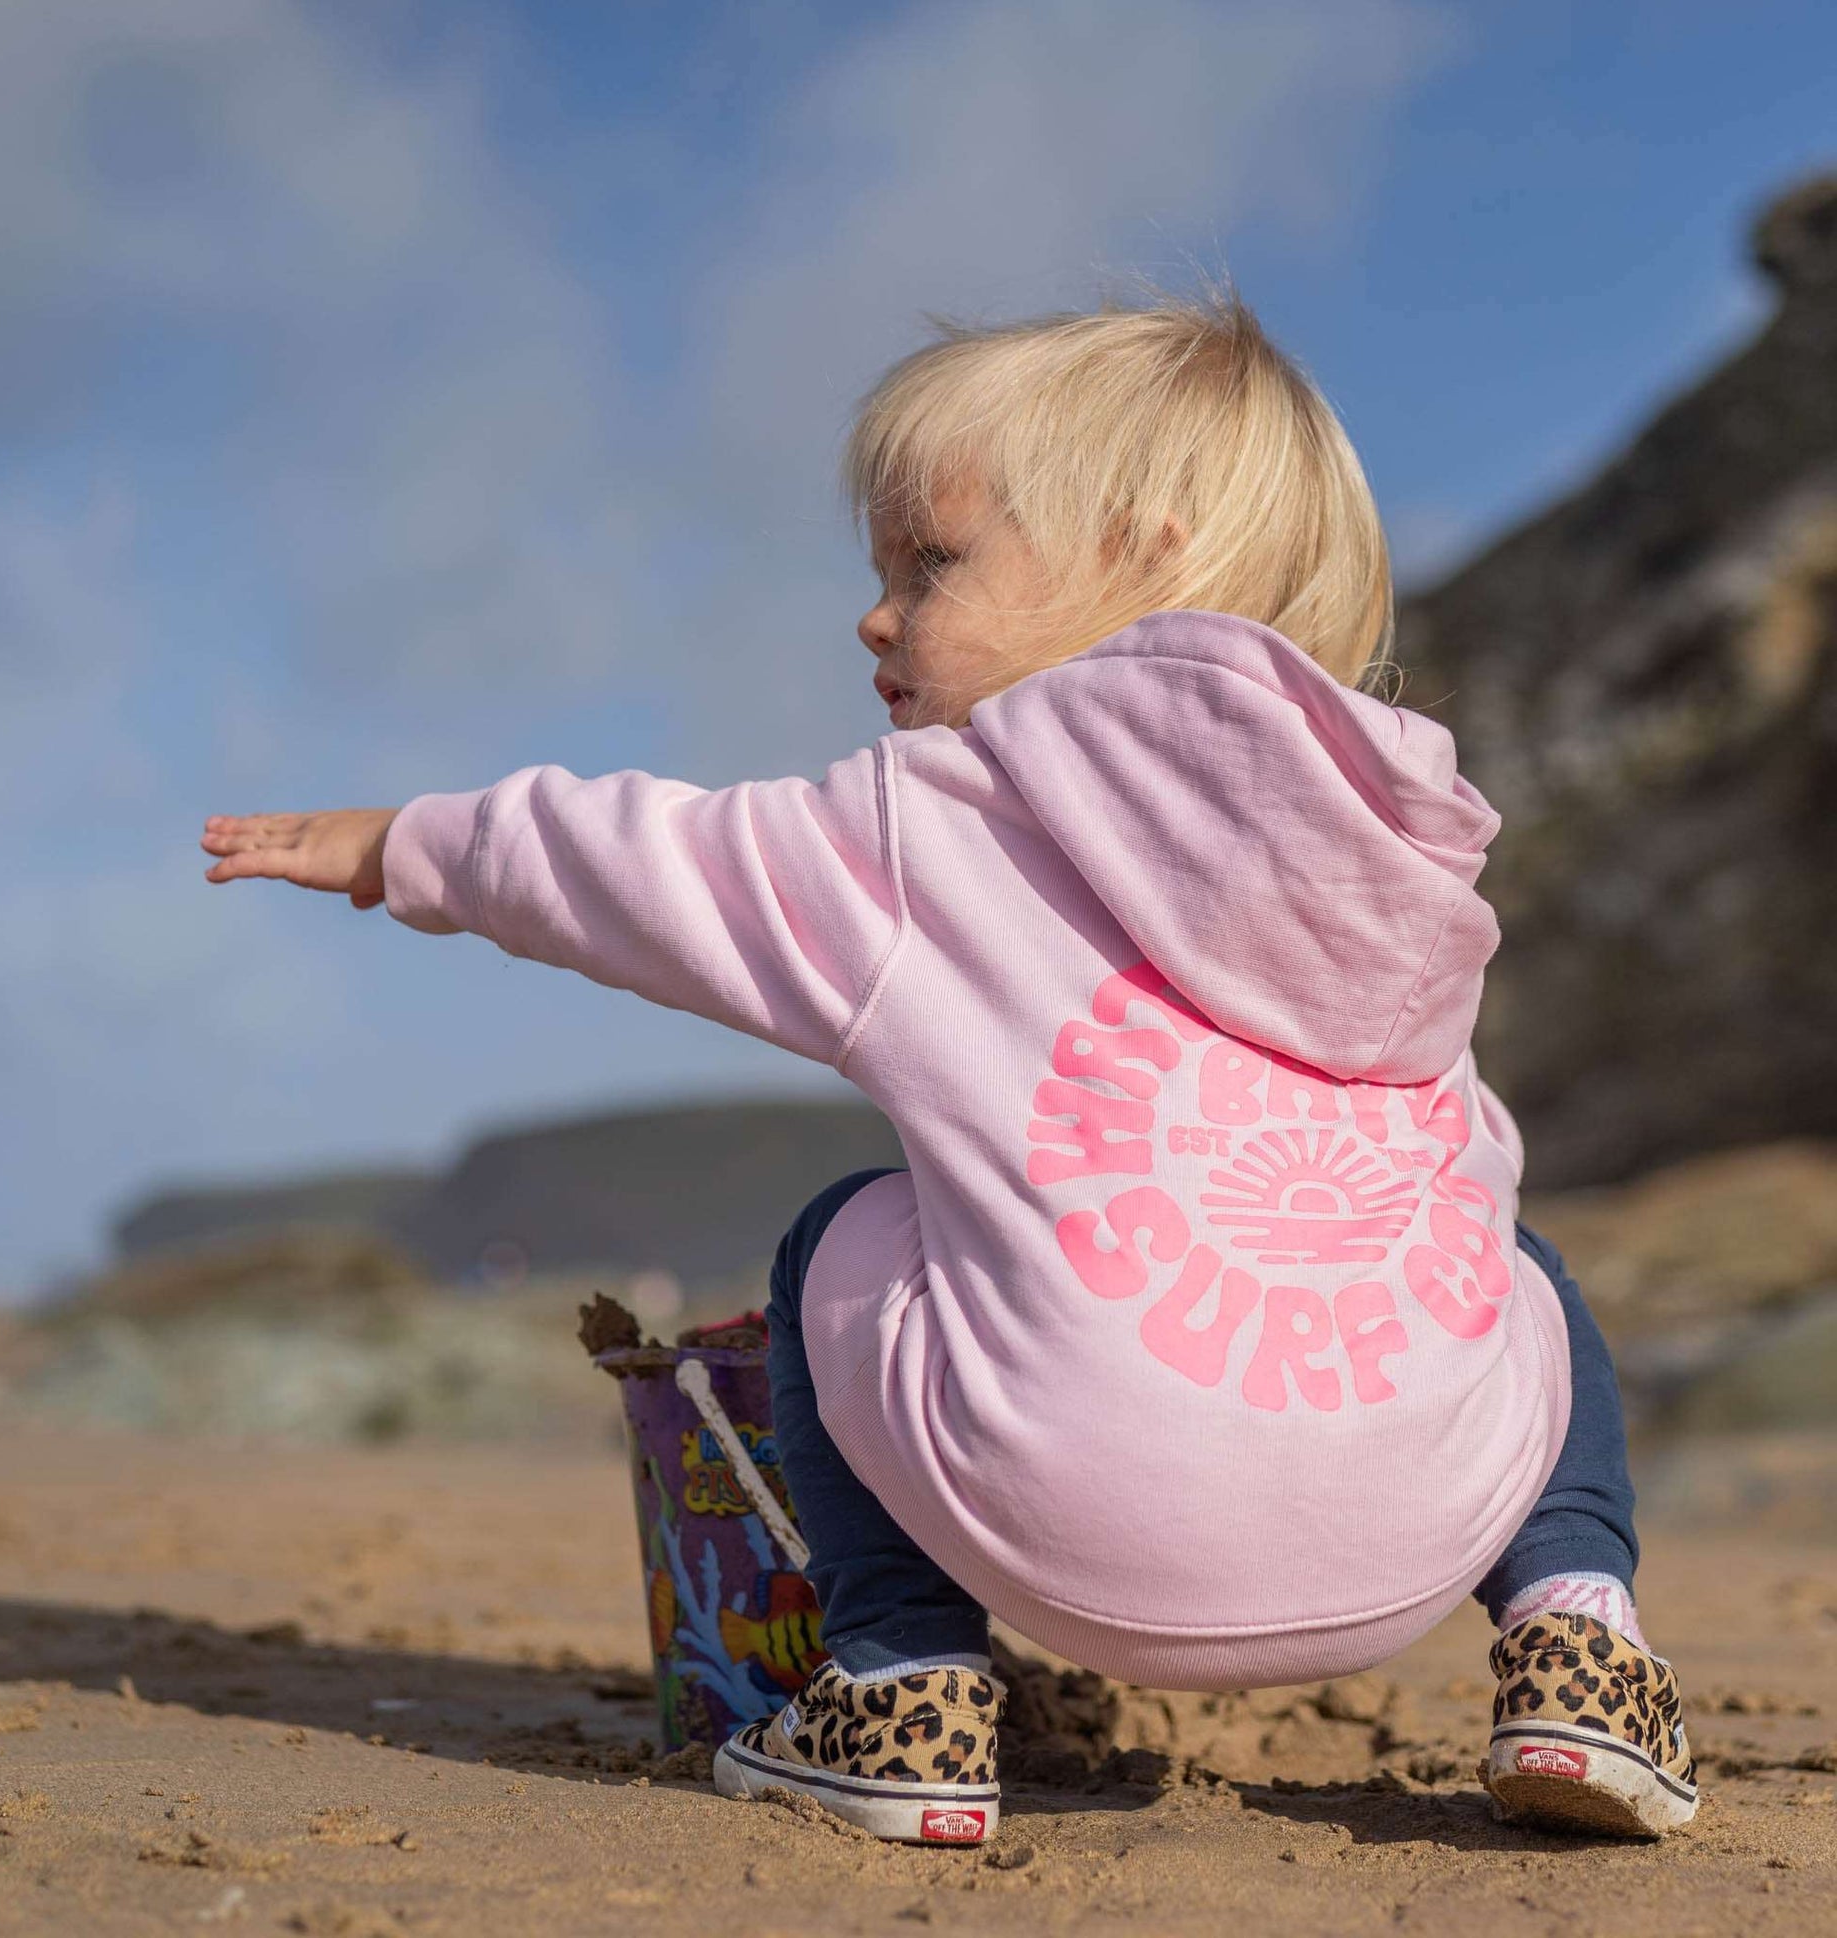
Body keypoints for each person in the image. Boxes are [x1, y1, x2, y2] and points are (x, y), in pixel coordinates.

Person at [202, 294, 1696, 1847]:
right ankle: (1581, 1643)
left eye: (932, 563)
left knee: (838, 1227)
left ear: (1141, 557)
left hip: (1080, 1520)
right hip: (1416, 1535)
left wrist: (406, 845)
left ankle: (900, 1687)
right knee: (1505, 1254)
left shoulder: (940, 825)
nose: (875, 614)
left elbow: (649, 865)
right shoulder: (1401, 849)